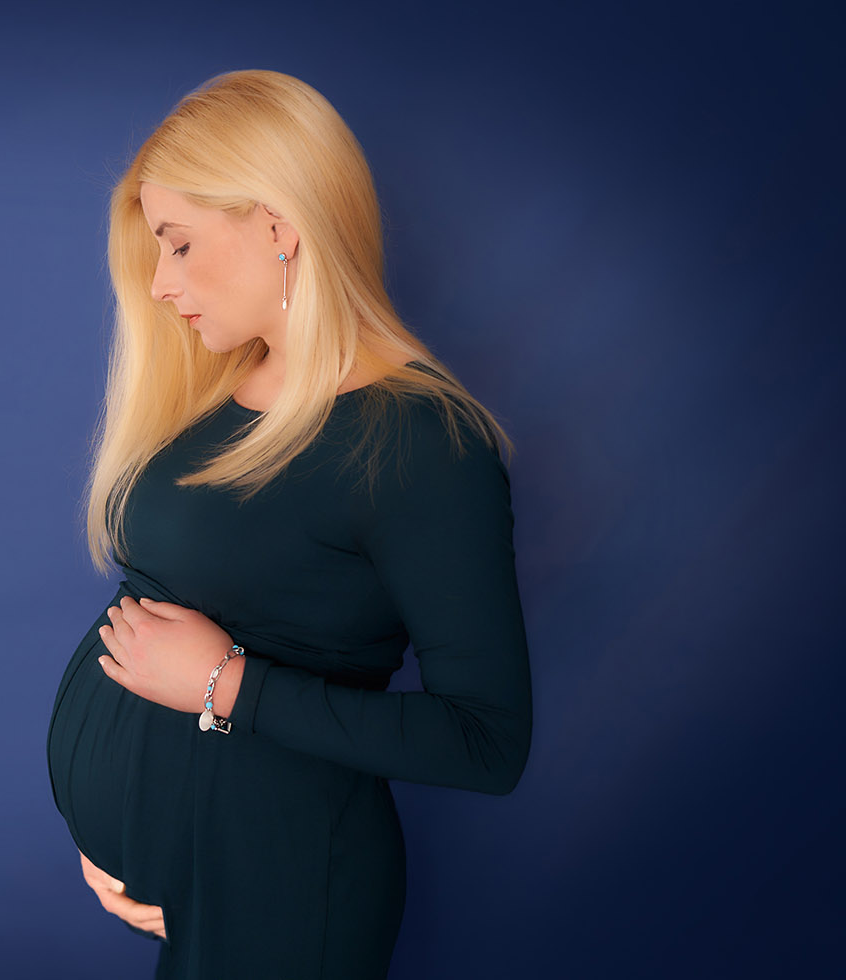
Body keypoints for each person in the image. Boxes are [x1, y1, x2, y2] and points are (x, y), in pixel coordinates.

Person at [44, 69, 533, 980]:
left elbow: (487, 742)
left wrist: (226, 685)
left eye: (179, 245)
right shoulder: (222, 388)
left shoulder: (422, 440)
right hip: (187, 879)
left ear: (276, 225)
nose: (159, 284)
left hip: (283, 887)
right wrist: (111, 827)